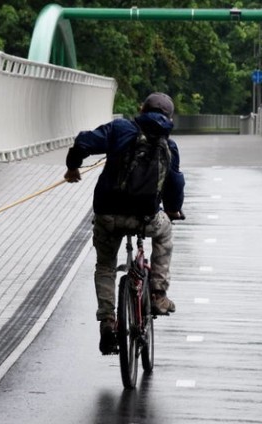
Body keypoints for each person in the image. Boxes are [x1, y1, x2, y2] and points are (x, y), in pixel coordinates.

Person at [64, 92, 185, 354]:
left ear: (141, 109)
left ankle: (108, 321)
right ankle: (157, 294)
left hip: (108, 214)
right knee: (165, 232)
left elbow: (83, 142)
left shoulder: (120, 129)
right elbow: (174, 184)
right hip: (145, 218)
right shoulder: (168, 145)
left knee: (106, 265)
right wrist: (174, 210)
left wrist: (73, 167)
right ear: (169, 118)